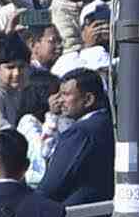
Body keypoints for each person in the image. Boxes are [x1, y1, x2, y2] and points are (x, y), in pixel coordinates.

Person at [38, 70, 112, 207]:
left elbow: (53, 184)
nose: (60, 101)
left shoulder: (81, 132)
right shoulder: (109, 123)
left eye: (66, 95)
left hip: (77, 216)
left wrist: (32, 203)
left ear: (88, 99)